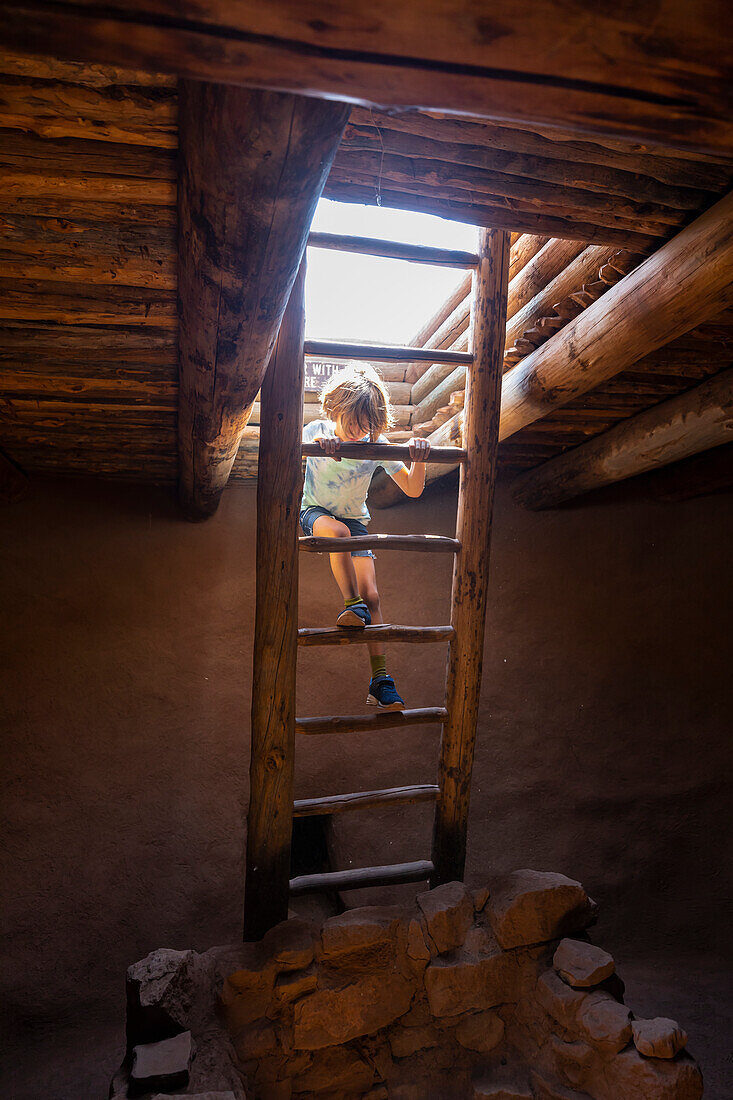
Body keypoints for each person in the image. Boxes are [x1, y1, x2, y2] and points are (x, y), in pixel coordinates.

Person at [300, 363, 431, 711]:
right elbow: (295, 447)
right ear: (335, 411)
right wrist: (318, 444)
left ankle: (381, 679)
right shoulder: (317, 429)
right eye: (354, 423)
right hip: (316, 514)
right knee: (339, 534)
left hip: (356, 522)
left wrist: (418, 458)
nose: (361, 432)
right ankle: (349, 604)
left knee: (373, 595)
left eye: (369, 425)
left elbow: (413, 488)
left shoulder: (377, 443)